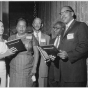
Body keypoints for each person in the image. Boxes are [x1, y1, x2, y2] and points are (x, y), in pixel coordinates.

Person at [57, 6, 88, 87]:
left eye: (65, 12)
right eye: (61, 13)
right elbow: (62, 48)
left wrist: (68, 55)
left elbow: (85, 46)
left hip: (75, 76)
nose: (62, 15)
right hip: (63, 76)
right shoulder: (63, 30)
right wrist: (55, 55)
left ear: (72, 13)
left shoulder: (81, 25)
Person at [8, 18, 39, 87]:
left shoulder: (31, 37)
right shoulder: (11, 38)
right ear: (16, 27)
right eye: (19, 26)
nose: (21, 28)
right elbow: (7, 54)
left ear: (26, 27)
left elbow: (36, 53)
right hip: (14, 70)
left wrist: (35, 67)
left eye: (24, 26)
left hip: (27, 70)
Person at [32, 17, 50, 87]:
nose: (37, 25)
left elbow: (49, 52)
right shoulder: (28, 36)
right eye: (35, 23)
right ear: (33, 24)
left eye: (39, 23)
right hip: (30, 66)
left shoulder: (47, 37)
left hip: (43, 67)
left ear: (41, 25)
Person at [48, 21, 65, 87]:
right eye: (54, 28)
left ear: (62, 29)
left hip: (61, 68)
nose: (54, 30)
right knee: (51, 83)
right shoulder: (51, 40)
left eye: (57, 28)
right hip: (52, 67)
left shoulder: (65, 40)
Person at [0, 20, 16, 87]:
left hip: (3, 69)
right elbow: (6, 54)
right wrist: (7, 53)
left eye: (2, 26)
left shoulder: (6, 41)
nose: (1, 28)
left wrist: (12, 52)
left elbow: (8, 56)